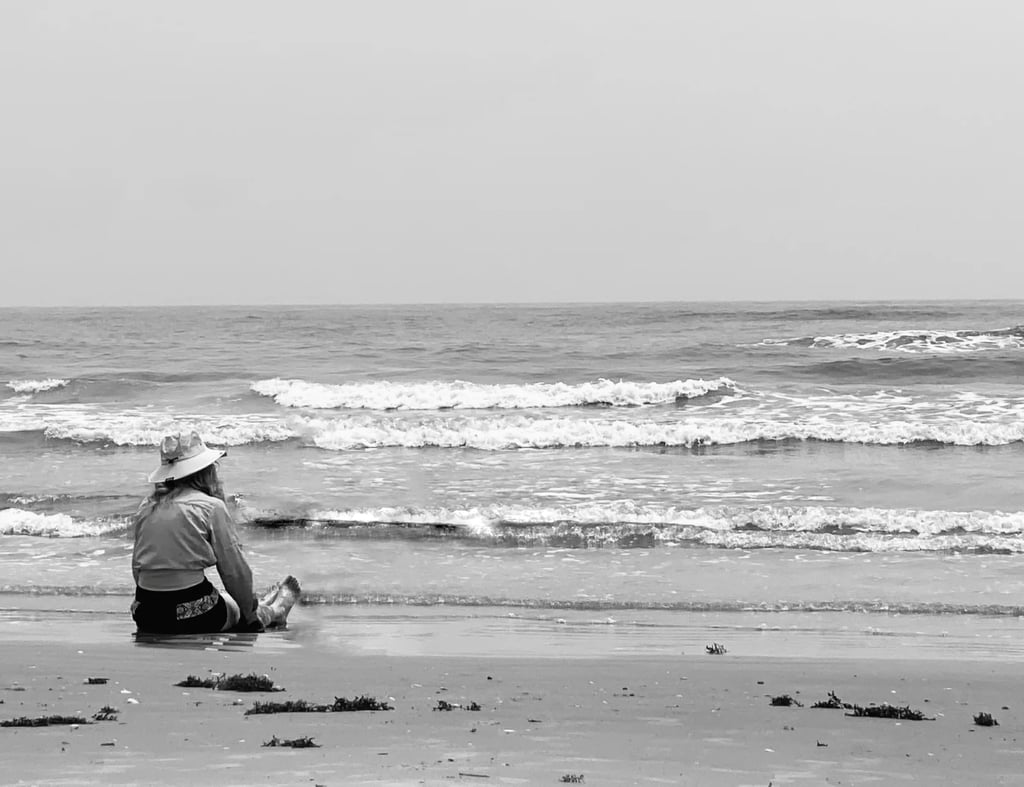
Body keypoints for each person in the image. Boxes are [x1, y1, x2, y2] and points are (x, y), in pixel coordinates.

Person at [131, 431, 299, 634]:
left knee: (218, 598)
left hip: (146, 614)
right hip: (192, 616)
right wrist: (249, 615)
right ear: (206, 471)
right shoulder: (211, 507)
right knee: (236, 608)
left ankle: (259, 604)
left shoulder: (147, 507)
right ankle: (274, 611)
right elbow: (234, 571)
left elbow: (138, 567)